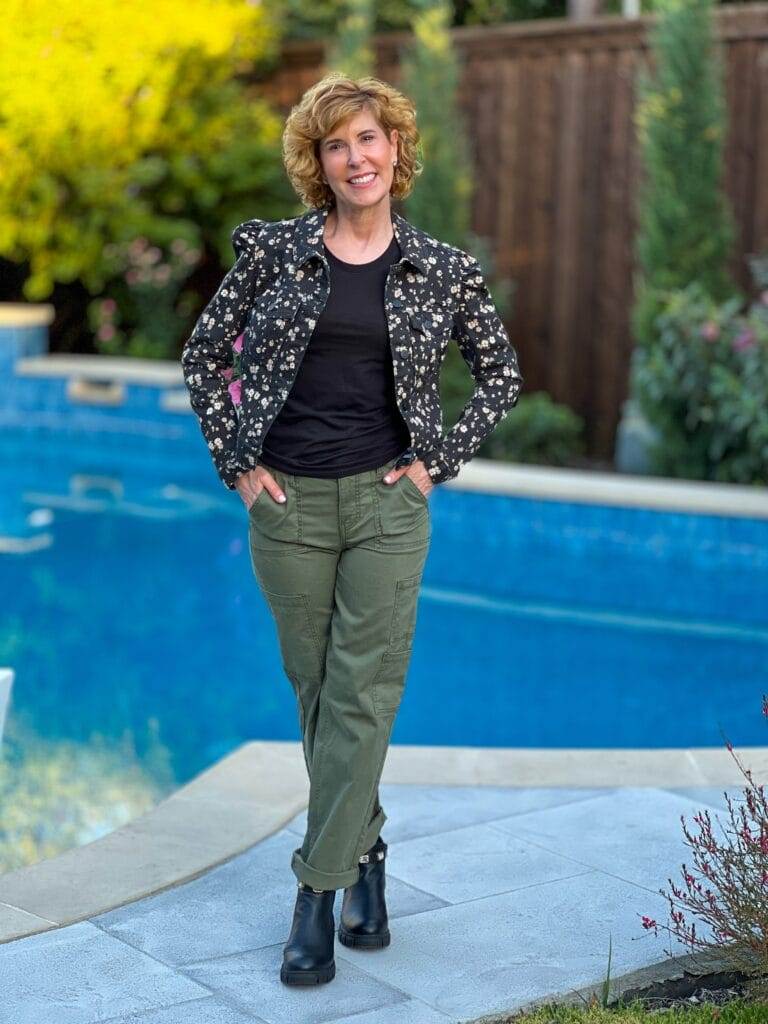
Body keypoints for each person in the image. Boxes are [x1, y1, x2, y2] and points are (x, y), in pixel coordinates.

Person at [181, 72, 524, 986]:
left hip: (385, 505)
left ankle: (317, 893)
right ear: (318, 164)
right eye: (336, 145)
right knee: (319, 691)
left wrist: (435, 462)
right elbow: (206, 354)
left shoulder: (440, 269)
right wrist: (237, 466)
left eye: (369, 139)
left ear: (397, 151)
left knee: (362, 694)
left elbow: (499, 373)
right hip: (286, 503)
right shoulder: (273, 252)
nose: (356, 157)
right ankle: (368, 853)